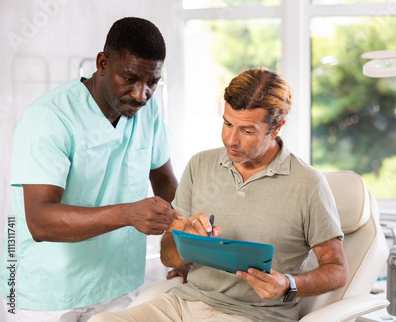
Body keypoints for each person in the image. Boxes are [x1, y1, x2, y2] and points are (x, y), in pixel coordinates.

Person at [90, 67, 349, 322]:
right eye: (227, 123)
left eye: (247, 131)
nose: (230, 140)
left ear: (276, 128)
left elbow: (337, 270)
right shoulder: (199, 165)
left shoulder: (309, 184)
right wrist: (186, 237)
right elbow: (168, 257)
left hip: (256, 315)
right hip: (184, 303)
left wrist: (288, 284)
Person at [0, 17, 182, 322]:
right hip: (46, 292)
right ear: (102, 64)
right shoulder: (49, 117)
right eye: (130, 78)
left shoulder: (148, 111)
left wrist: (188, 246)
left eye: (152, 82)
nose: (141, 94)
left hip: (118, 283)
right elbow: (39, 221)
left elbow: (164, 181)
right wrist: (128, 214)